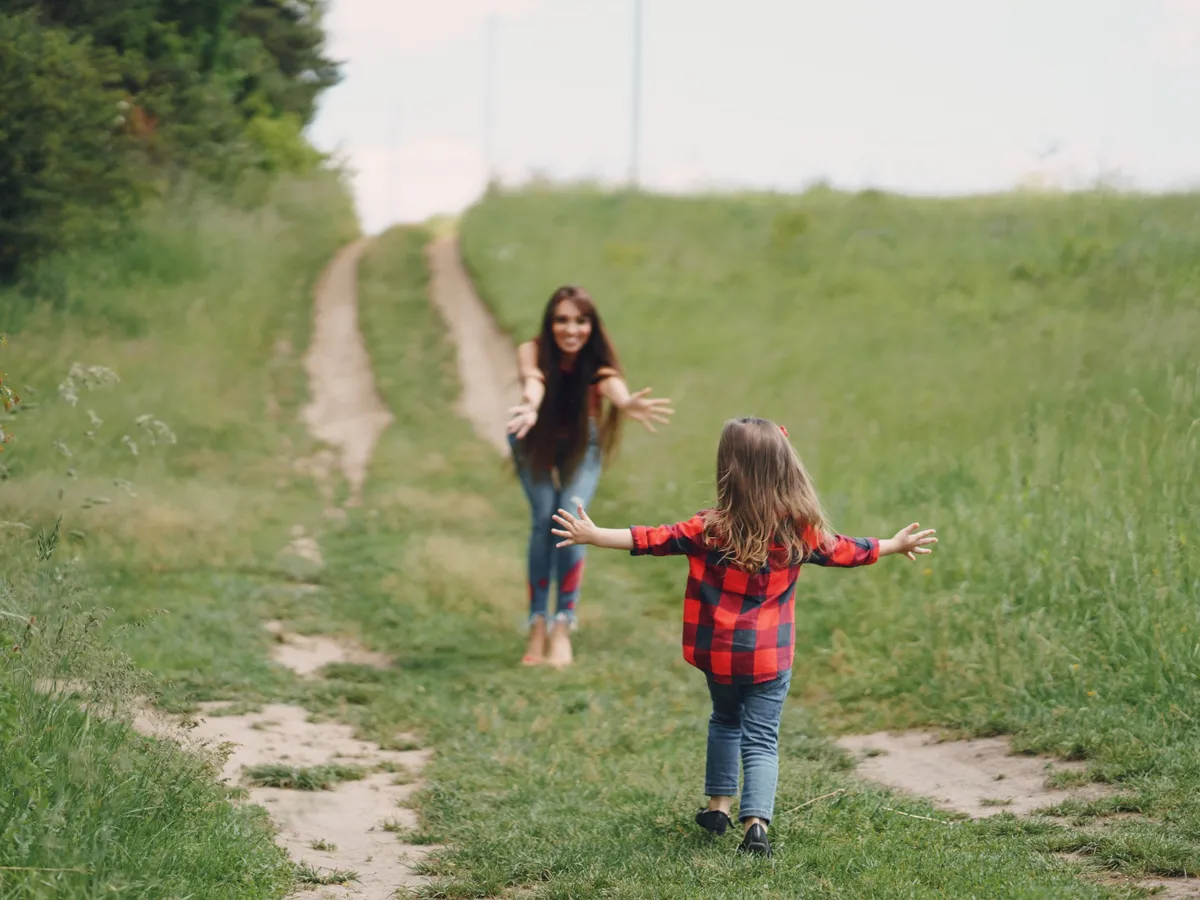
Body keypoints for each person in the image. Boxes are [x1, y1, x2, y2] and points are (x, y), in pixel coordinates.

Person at [550, 416, 937, 856]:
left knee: (724, 721)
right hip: (769, 659)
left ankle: (717, 807)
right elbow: (847, 551)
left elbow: (651, 539)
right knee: (761, 739)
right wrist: (893, 544)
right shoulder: (799, 532)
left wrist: (595, 535)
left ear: (727, 469)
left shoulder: (709, 528)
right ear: (784, 468)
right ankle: (756, 826)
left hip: (718, 656)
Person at [506, 285, 673, 669]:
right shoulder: (531, 351)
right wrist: (530, 407)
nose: (571, 330)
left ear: (591, 325)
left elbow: (610, 382)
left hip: (583, 444)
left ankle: (563, 622)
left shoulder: (594, 360)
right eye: (562, 320)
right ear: (550, 323)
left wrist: (626, 402)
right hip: (531, 438)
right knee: (544, 518)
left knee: (571, 517)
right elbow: (534, 381)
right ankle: (537, 621)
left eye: (580, 321)